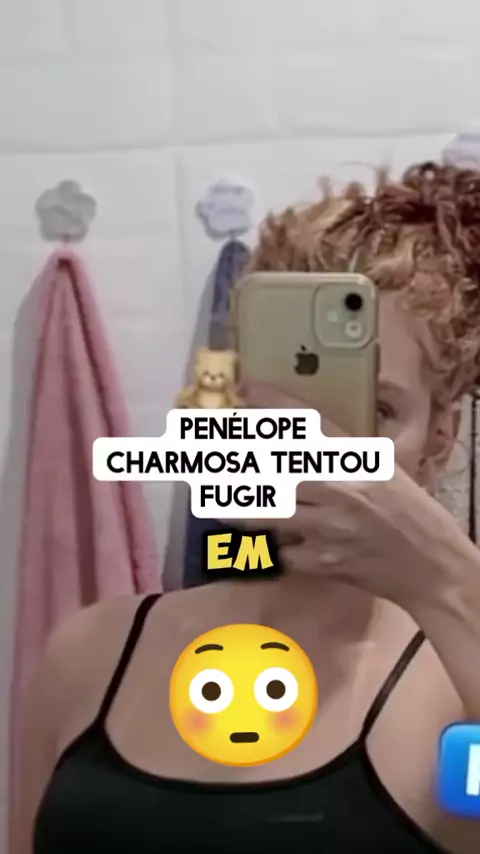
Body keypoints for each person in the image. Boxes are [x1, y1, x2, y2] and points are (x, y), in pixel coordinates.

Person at [21, 161, 480, 854]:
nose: (315, 446)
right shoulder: (88, 655)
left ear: (438, 441)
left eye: (375, 410)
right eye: (290, 402)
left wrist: (449, 581)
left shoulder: (456, 687)